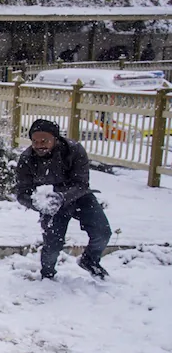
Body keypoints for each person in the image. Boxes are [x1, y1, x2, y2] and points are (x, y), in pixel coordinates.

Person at [15, 119, 111, 280]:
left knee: (102, 232)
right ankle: (47, 275)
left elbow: (81, 183)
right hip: (50, 203)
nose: (39, 145)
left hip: (79, 197)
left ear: (55, 139)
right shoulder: (27, 159)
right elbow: (21, 193)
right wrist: (38, 204)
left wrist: (63, 196)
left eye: (44, 140)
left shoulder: (73, 150)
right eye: (35, 141)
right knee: (53, 244)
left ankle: (90, 260)